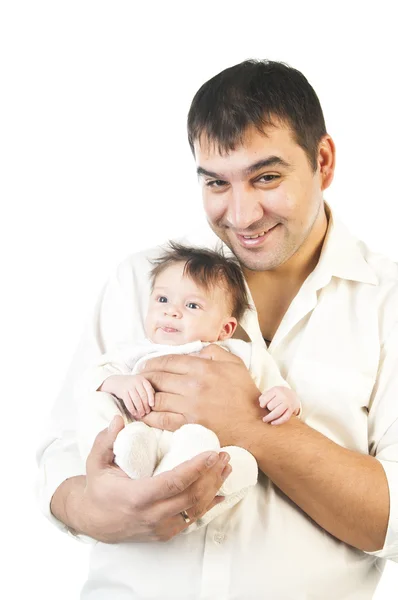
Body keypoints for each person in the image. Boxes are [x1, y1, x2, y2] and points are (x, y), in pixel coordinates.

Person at [37, 59, 398, 599]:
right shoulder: (142, 281)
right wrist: (96, 509)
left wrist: (253, 429)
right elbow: (59, 459)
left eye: (267, 177)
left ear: (322, 161)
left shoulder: (385, 301)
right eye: (216, 183)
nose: (242, 214)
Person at [76, 242, 300, 533]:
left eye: (192, 305)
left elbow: (273, 386)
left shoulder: (241, 355)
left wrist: (284, 397)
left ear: (225, 329)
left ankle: (188, 486)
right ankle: (132, 462)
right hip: (141, 436)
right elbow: (90, 379)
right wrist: (121, 382)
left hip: (196, 447)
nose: (172, 312)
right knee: (97, 402)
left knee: (228, 457)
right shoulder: (137, 352)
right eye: (162, 300)